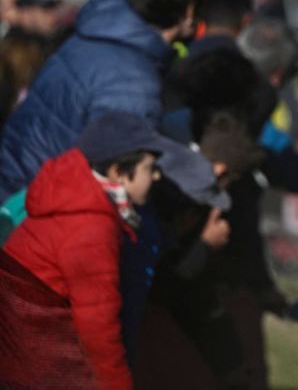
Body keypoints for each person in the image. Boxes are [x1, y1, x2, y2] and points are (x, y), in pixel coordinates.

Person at [0, 0, 213, 201]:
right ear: (189, 11)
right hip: (32, 211)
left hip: (13, 183)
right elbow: (118, 187)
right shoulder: (133, 83)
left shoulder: (92, 36)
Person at [0, 112, 178, 389]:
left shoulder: (74, 193)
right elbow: (97, 327)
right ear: (119, 172)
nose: (156, 176)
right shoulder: (91, 227)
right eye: (149, 168)